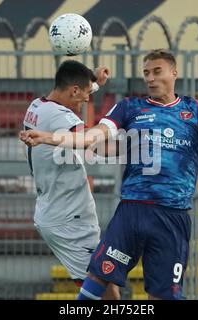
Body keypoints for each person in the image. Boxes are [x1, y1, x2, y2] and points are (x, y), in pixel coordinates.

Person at [20, 49, 198, 300]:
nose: (150, 79)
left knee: (162, 296)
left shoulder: (196, 109)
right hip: (132, 210)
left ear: (174, 73)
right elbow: (91, 137)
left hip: (173, 214)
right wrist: (47, 137)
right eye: (146, 73)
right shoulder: (129, 107)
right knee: (98, 277)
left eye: (157, 72)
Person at [20, 60, 119, 299]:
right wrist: (137, 142)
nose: (86, 100)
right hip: (68, 221)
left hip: (60, 213)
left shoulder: (38, 105)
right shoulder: (61, 117)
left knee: (108, 289)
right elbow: (92, 142)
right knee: (105, 294)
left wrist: (93, 83)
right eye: (84, 95)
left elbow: (73, 98)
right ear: (74, 89)